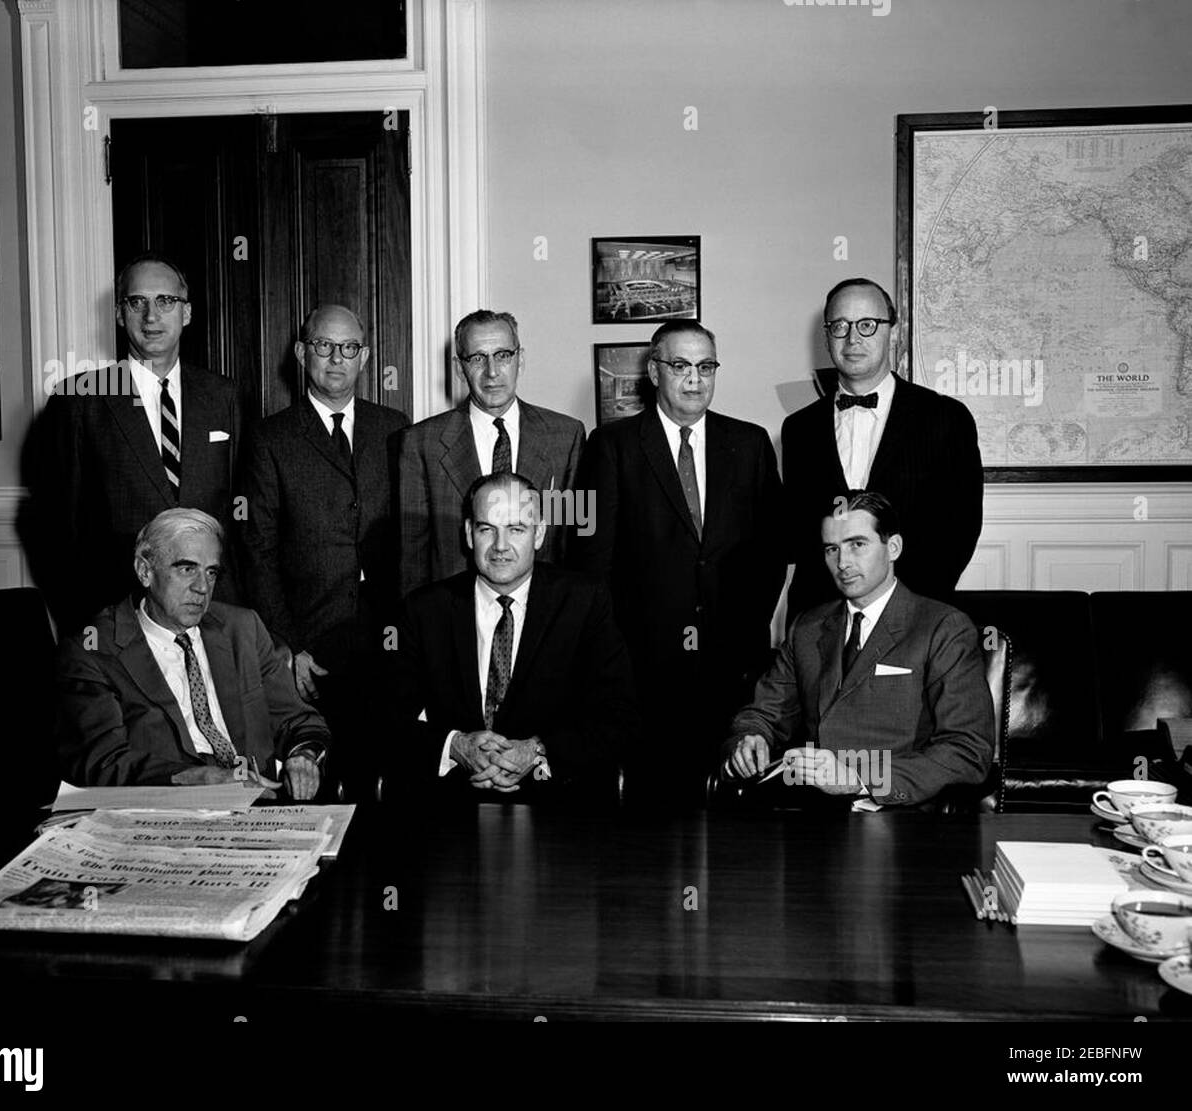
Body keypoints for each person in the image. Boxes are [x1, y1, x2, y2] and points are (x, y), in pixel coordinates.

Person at [573, 319, 787, 802]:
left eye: (706, 366)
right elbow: (592, 560)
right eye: (680, 366)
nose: (695, 378)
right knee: (654, 805)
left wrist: (746, 623)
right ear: (654, 371)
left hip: (732, 661)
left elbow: (771, 552)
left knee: (732, 806)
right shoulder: (611, 446)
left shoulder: (750, 443)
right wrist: (612, 651)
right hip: (644, 664)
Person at [722, 491, 994, 809]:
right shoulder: (808, 628)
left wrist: (858, 779)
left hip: (902, 818)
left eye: (857, 545)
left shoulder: (943, 628)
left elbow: (968, 751)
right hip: (811, 816)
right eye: (831, 549)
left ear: (893, 547)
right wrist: (751, 739)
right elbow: (763, 713)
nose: (842, 563)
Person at [23, 251, 241, 635]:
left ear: (186, 313)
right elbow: (56, 527)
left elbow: (241, 515)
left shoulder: (222, 395)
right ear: (121, 314)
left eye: (165, 301)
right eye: (137, 302)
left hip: (213, 613)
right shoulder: (79, 399)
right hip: (116, 618)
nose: (151, 316)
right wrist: (83, 619)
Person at [237, 304, 409, 787]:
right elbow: (257, 551)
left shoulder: (395, 427)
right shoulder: (271, 438)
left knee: (390, 773)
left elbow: (410, 539)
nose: (336, 358)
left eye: (349, 348)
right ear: (301, 352)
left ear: (365, 357)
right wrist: (287, 648)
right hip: (311, 642)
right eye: (323, 346)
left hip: (385, 636)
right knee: (323, 773)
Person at [386, 472, 638, 801]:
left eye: (516, 529)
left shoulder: (584, 602)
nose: (500, 546)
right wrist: (456, 746)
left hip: (557, 810)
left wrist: (537, 750)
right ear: (468, 533)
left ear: (538, 534)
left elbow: (619, 716)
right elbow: (386, 718)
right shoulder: (423, 610)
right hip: (451, 810)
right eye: (486, 529)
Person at [56, 508, 329, 798]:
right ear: (145, 571)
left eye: (211, 572)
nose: (202, 588)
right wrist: (199, 779)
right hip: (163, 812)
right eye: (187, 569)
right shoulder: (94, 650)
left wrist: (304, 756)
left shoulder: (243, 628)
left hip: (258, 806)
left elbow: (300, 722)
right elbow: (103, 762)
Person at [781, 277, 983, 623]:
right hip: (817, 620)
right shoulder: (799, 429)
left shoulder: (945, 418)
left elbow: (959, 529)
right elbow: (801, 533)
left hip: (913, 617)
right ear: (827, 336)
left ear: (893, 331)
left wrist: (908, 609)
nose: (853, 338)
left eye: (867, 325)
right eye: (840, 326)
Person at [396, 309, 585, 597]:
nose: (492, 371)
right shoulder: (421, 443)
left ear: (520, 360)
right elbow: (412, 555)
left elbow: (577, 534)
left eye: (503, 356)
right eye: (477, 358)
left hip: (543, 613)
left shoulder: (567, 435)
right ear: (460, 369)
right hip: (453, 616)